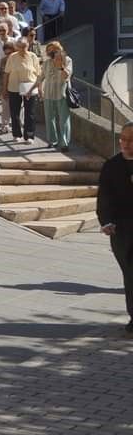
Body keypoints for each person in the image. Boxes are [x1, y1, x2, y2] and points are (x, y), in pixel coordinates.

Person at [97, 123, 133, 334]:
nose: (126, 144)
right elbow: (104, 197)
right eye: (123, 139)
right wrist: (106, 221)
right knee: (129, 274)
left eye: (130, 140)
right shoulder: (111, 165)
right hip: (122, 230)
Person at [5, 37, 42, 143]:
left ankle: (29, 135)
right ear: (16, 47)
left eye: (24, 46)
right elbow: (6, 74)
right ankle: (16, 134)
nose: (22, 49)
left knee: (30, 112)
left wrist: (40, 89)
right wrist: (4, 89)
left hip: (30, 88)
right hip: (14, 87)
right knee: (15, 112)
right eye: (20, 47)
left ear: (28, 46)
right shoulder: (12, 57)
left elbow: (39, 74)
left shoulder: (33, 56)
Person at [38, 41, 72, 152]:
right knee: (49, 118)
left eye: (54, 49)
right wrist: (39, 88)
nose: (51, 52)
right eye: (49, 50)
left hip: (61, 93)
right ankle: (52, 141)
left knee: (64, 119)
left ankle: (64, 143)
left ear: (59, 49)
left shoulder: (67, 60)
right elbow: (41, 76)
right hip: (48, 93)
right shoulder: (46, 63)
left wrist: (61, 66)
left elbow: (67, 76)